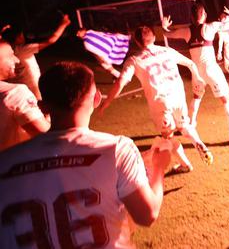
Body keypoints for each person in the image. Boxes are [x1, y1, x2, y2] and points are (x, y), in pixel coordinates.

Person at [0, 61, 171, 248]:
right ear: (97, 99)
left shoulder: (5, 162)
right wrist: (159, 168)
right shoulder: (117, 149)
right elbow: (147, 214)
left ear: (42, 106)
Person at [100, 26, 213, 168]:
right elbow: (190, 63)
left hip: (161, 103)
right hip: (177, 96)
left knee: (168, 136)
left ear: (137, 41)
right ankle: (199, 144)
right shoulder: (167, 51)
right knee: (184, 125)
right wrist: (196, 77)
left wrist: (107, 102)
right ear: (154, 37)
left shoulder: (134, 60)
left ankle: (185, 165)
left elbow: (121, 82)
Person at [162, 0, 229, 144]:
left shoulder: (186, 31)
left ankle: (190, 124)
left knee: (196, 97)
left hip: (197, 72)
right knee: (226, 100)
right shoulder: (210, 27)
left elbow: (167, 34)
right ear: (203, 15)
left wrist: (164, 27)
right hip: (211, 70)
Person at [2, 14, 71, 99]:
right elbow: (51, 40)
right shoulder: (23, 50)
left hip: (19, 88)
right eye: (22, 34)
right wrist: (63, 24)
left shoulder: (6, 50)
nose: (23, 36)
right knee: (40, 107)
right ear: (18, 37)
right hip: (33, 88)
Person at [0, 40, 49, 151]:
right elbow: (46, 136)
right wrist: (49, 117)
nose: (17, 60)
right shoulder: (15, 93)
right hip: (10, 164)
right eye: (11, 55)